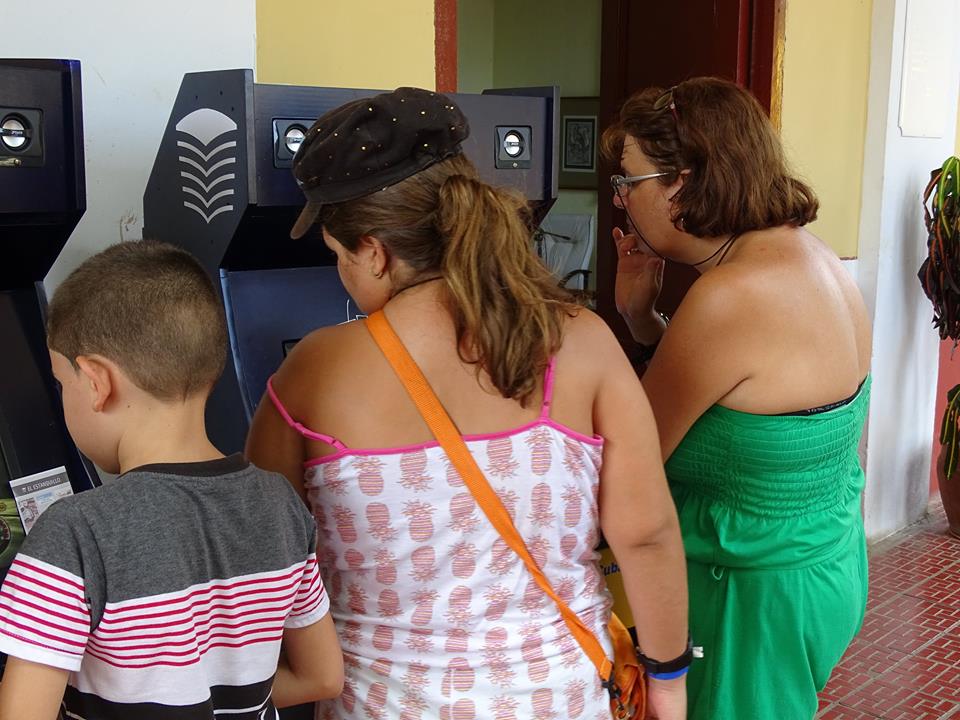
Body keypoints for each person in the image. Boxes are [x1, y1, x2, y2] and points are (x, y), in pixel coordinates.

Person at [245, 87, 690, 720]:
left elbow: (261, 563)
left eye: (338, 256)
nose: (341, 272)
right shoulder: (581, 340)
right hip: (564, 698)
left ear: (373, 252)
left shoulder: (312, 373)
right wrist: (667, 684)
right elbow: (645, 537)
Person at [603, 76, 873, 719]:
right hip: (823, 565)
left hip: (752, 596)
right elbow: (733, 395)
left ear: (683, 180)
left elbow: (634, 461)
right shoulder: (814, 256)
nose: (619, 204)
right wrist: (643, 322)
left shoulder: (729, 297)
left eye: (628, 182)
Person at [0, 241, 343, 719]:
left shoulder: (74, 534)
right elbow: (321, 676)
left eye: (62, 383)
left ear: (97, 381)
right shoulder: (279, 506)